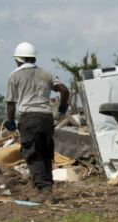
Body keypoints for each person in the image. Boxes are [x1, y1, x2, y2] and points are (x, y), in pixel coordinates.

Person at [5, 41, 70, 203]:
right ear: (33, 58)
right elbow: (64, 90)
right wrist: (62, 108)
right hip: (47, 118)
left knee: (33, 153)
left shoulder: (14, 76)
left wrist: (11, 122)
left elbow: (11, 103)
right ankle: (47, 188)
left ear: (18, 59)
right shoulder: (46, 74)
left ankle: (44, 191)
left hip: (28, 118)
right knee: (46, 152)